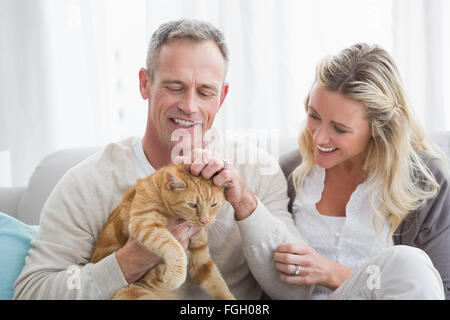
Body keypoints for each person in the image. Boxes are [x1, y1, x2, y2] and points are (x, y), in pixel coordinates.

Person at [13, 19, 311, 300]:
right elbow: (33, 291)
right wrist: (130, 260)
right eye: (174, 87)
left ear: (221, 97)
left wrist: (245, 203)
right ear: (145, 84)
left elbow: (297, 291)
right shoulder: (88, 183)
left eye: (205, 91)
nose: (189, 106)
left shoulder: (257, 172)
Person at [278, 43, 449, 299]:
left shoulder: (425, 180)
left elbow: (438, 289)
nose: (319, 138)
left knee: (408, 263)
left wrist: (330, 273)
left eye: (339, 128)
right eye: (314, 116)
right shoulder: (289, 172)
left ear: (379, 129)